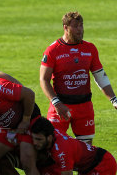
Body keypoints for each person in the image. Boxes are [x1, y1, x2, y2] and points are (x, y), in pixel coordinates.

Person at [40, 11, 117, 145]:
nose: (80, 30)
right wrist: (56, 103)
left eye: (81, 26)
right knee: (53, 146)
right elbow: (43, 80)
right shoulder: (53, 50)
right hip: (60, 106)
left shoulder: (90, 48)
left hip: (84, 106)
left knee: (86, 150)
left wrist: (113, 99)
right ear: (65, 27)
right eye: (75, 26)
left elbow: (100, 76)